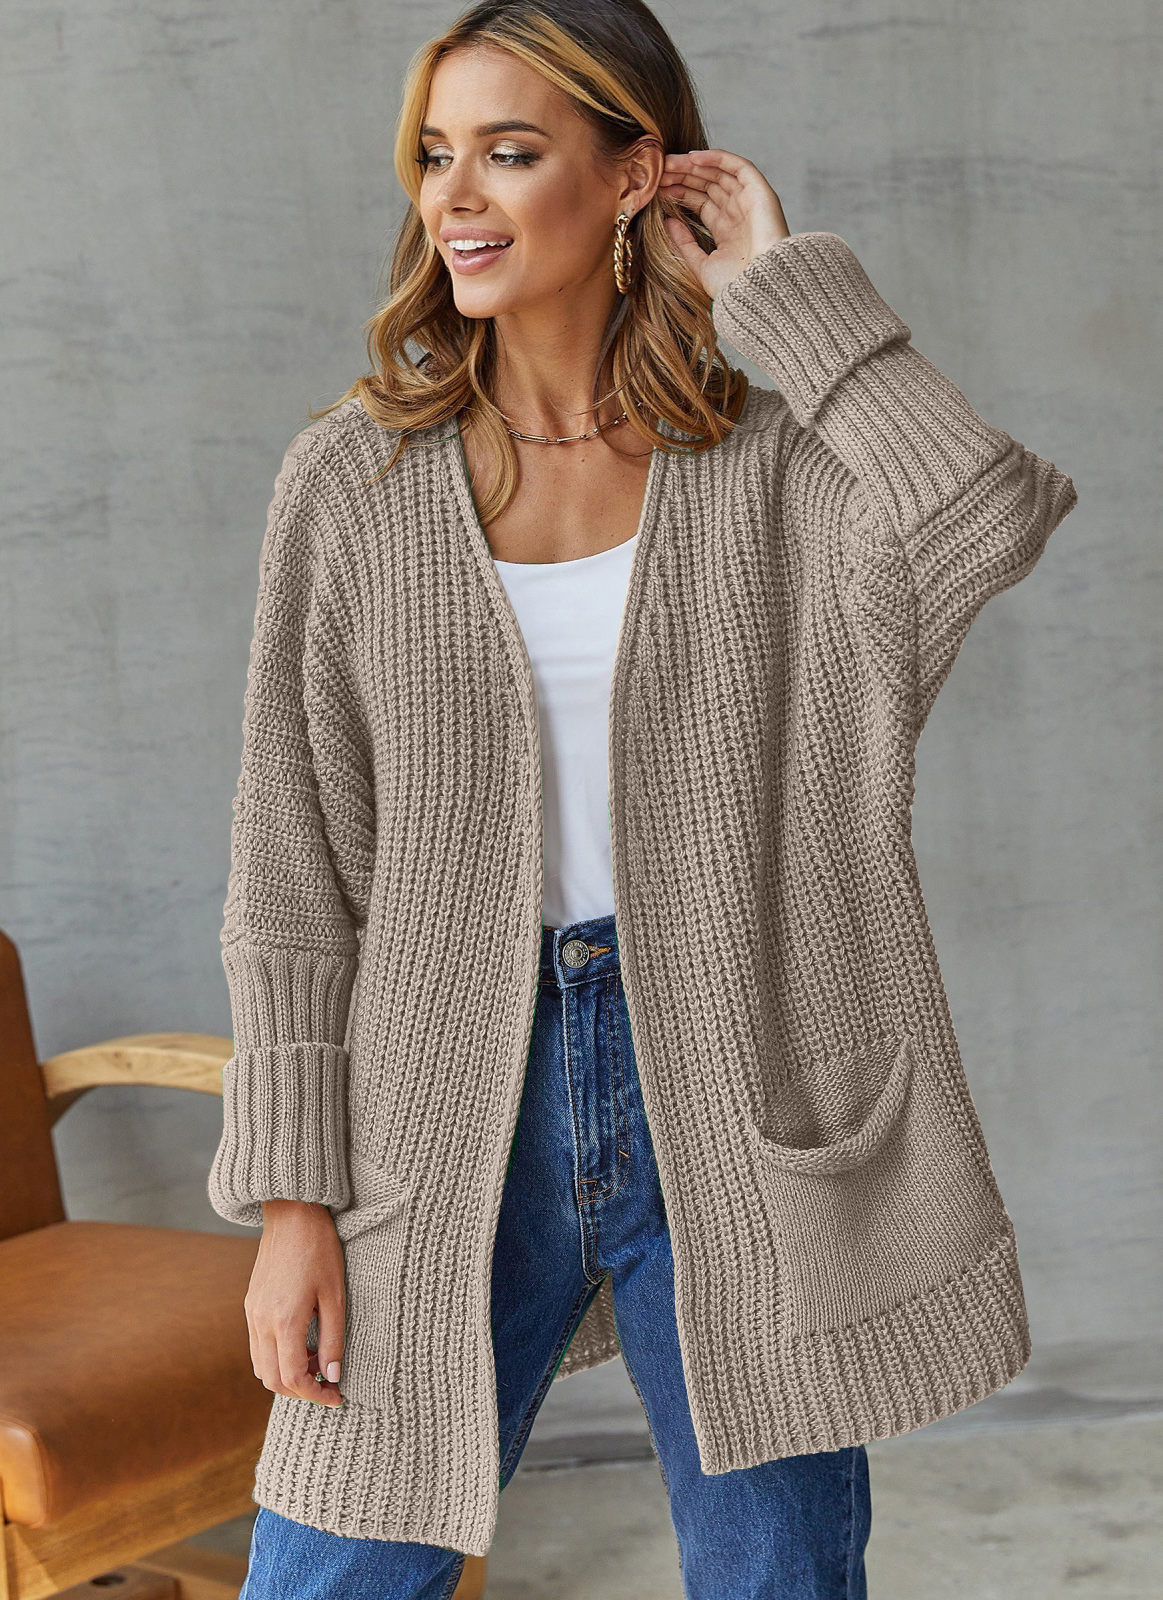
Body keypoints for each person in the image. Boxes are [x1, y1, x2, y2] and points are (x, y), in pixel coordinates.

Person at [208, 3, 1078, 1597]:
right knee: (328, 1571)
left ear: (629, 176)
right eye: (435, 155)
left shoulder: (772, 473)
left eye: (509, 152)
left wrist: (784, 292)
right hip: (439, 1108)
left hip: (741, 1090)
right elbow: (292, 873)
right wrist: (292, 1208)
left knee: (775, 1578)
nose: (457, 195)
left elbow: (981, 514)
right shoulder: (352, 483)